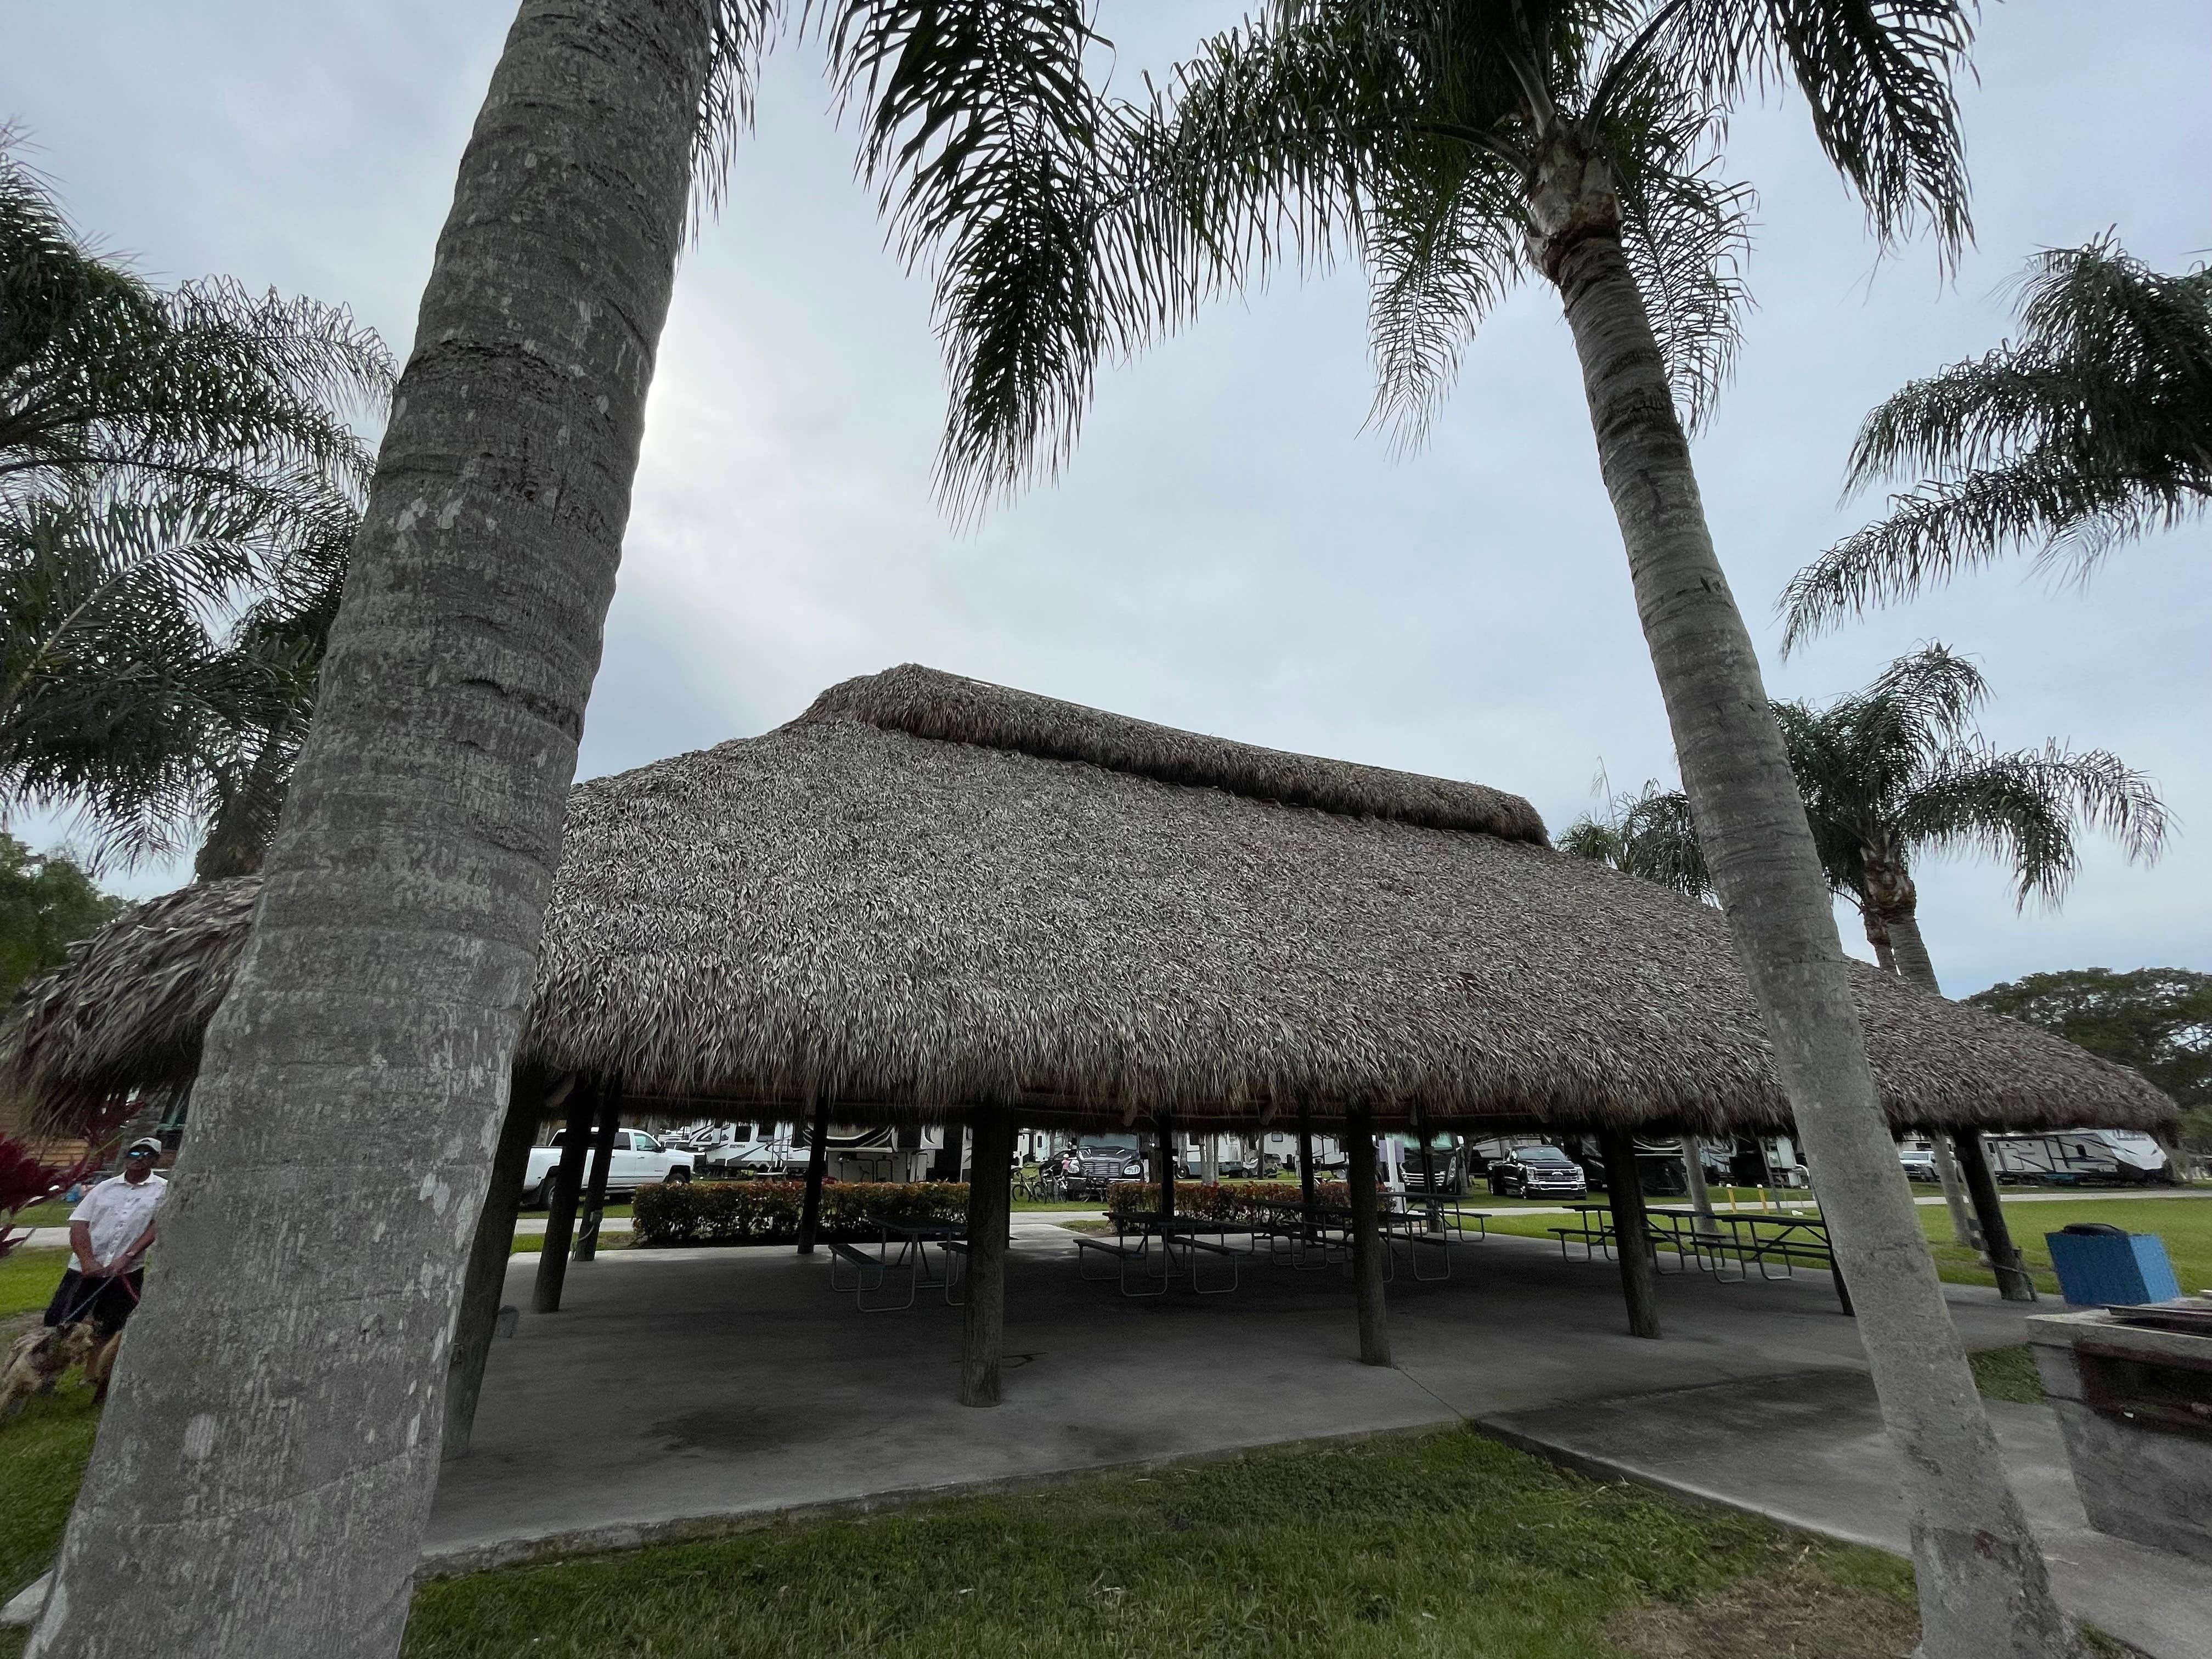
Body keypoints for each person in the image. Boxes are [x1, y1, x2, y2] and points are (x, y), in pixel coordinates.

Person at [44, 1137, 167, 1341]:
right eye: (135, 1154)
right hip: (85, 1269)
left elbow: (157, 1226)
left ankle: (97, 1371)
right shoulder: (104, 1188)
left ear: (155, 1161)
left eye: (147, 1155)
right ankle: (46, 1368)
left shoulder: (163, 1190)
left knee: (113, 1328)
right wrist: (87, 1261)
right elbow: (79, 1224)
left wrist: (128, 1256)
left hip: (127, 1271)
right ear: (127, 1157)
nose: (140, 1159)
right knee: (59, 1323)